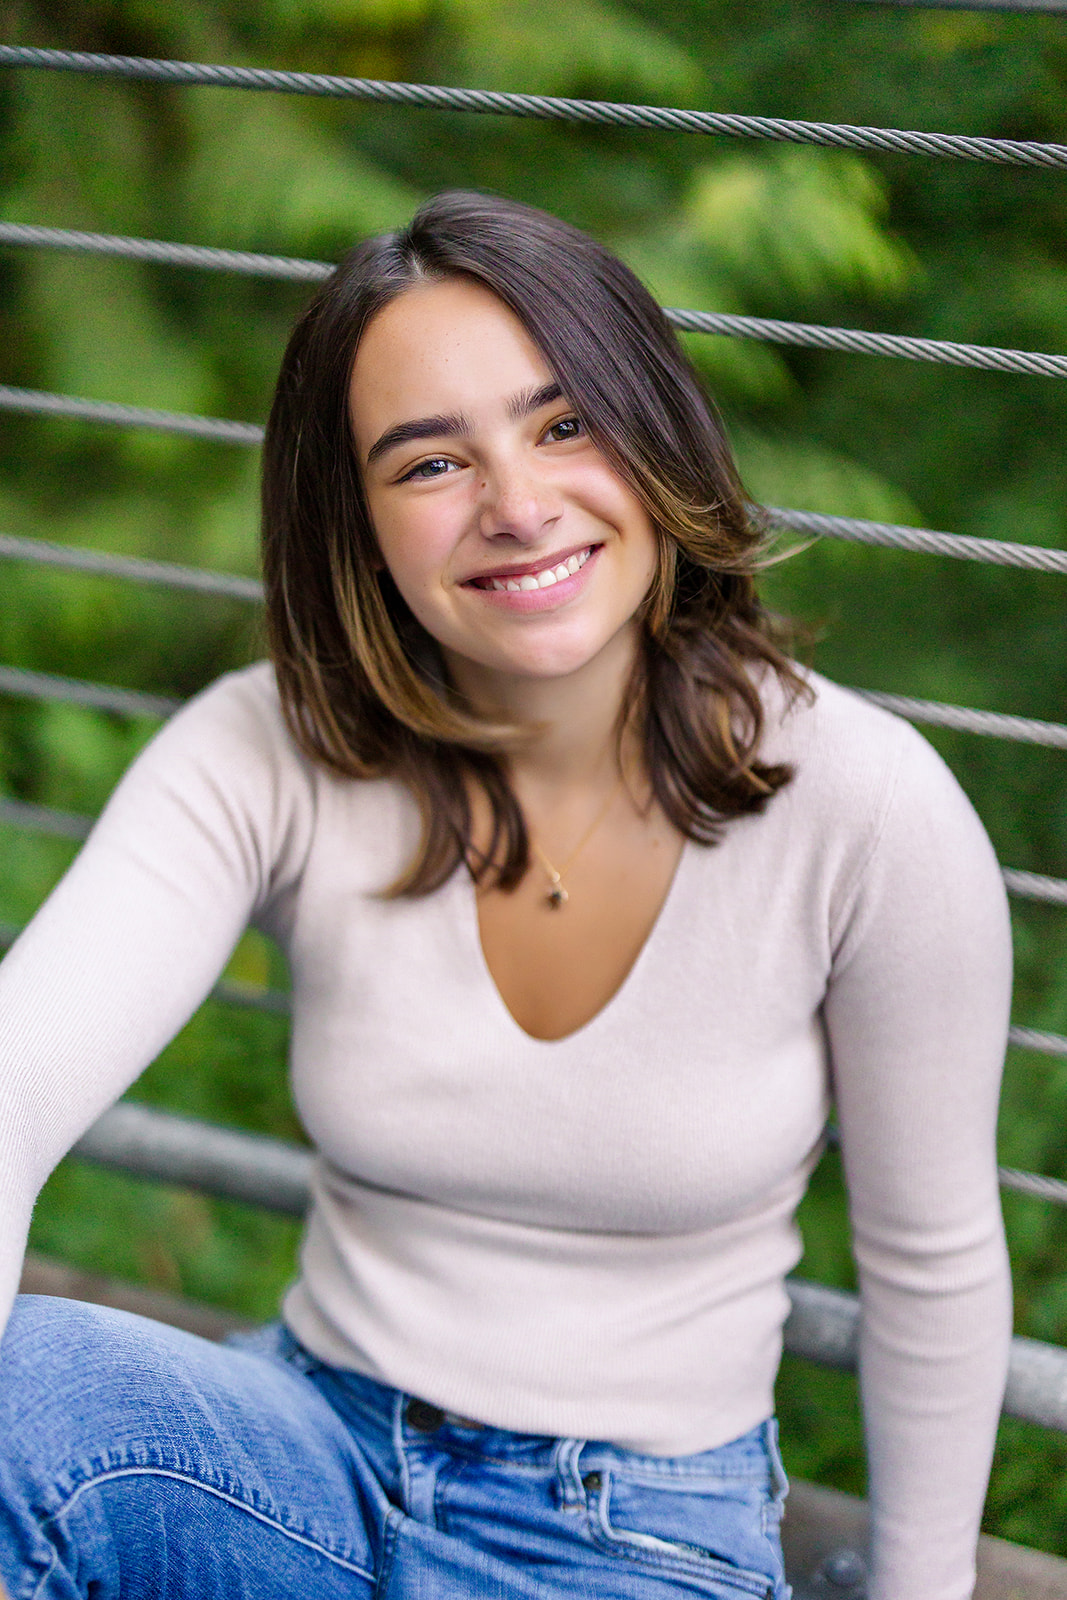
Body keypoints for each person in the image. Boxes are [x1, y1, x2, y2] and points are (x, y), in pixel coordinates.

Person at [0, 191, 1012, 1600]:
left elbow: (935, 1273)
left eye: (563, 423)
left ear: (657, 435)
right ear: (353, 517)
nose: (518, 505)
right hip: (307, 1457)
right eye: (428, 463)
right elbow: (17, 1073)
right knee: (26, 1399)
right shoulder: (267, 747)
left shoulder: (868, 805)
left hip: (635, 1533)